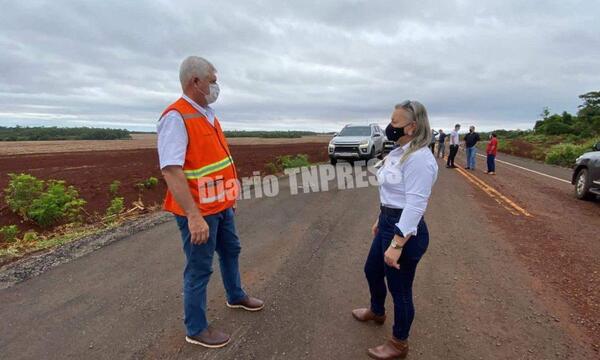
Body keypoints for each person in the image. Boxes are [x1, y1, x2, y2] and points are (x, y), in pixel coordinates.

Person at [157, 56, 264, 349]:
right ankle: (196, 328)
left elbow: (216, 162)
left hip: (221, 206)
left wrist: (230, 197)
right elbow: (171, 170)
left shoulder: (207, 114)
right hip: (198, 212)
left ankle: (235, 295)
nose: (216, 87)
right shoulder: (176, 117)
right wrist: (193, 216)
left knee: (232, 250)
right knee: (199, 268)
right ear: (195, 82)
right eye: (213, 81)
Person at [353, 100, 438, 359]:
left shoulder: (420, 159)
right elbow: (391, 193)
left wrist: (397, 244)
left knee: (400, 290)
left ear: (412, 127)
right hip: (390, 222)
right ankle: (377, 311)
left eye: (395, 123)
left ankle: (399, 342)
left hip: (405, 230)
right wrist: (381, 218)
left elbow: (415, 205)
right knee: (372, 270)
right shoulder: (397, 152)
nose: (390, 127)